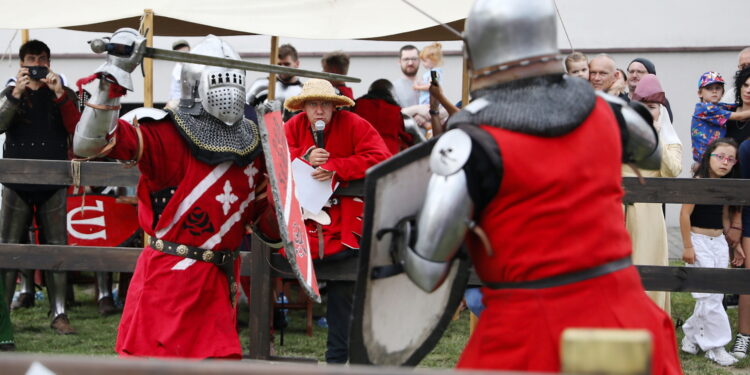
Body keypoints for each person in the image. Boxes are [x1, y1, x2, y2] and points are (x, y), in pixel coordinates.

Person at [400, 0, 682, 372]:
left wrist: (400, 235)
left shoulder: (468, 141)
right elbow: (650, 150)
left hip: (526, 335)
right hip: (621, 319)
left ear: (479, 49)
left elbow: (427, 271)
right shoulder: (610, 111)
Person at [73, 29, 279, 359]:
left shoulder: (254, 140)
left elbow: (265, 225)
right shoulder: (163, 131)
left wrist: (286, 206)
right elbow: (89, 143)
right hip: (168, 282)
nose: (227, 89)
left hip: (219, 283)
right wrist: (114, 73)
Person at [284, 79, 390, 363]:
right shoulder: (292, 127)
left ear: (334, 106)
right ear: (303, 108)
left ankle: (341, 358)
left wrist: (337, 167)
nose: (319, 110)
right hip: (302, 227)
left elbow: (381, 158)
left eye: (325, 104)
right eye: (313, 104)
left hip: (346, 228)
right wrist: (303, 158)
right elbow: (273, 159)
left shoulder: (355, 124)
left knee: (345, 292)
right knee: (275, 268)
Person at [0, 39, 80, 335]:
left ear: (49, 62)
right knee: (7, 247)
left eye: (42, 59)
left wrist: (59, 94)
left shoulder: (64, 92)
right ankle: (3, 314)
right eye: (31, 59)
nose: (36, 65)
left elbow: (77, 129)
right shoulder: (10, 92)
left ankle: (59, 312)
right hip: (16, 179)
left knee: (57, 247)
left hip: (55, 180)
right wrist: (16, 94)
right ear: (22, 63)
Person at [680, 138, 743, 366]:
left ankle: (690, 334)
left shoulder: (725, 186)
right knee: (709, 297)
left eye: (730, 159)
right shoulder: (698, 182)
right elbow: (684, 215)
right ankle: (716, 346)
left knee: (712, 296)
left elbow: (725, 217)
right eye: (721, 157)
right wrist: (688, 245)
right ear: (709, 156)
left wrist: (734, 245)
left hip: (718, 243)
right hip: (699, 242)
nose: (725, 163)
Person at [625, 74, 682, 314]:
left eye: (653, 107)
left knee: (648, 268)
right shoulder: (622, 134)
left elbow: (672, 171)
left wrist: (656, 136)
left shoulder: (669, 141)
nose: (648, 112)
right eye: (643, 107)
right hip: (616, 212)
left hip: (648, 216)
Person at [728, 66, 750, 359]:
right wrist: (735, 221)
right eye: (746, 84)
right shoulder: (744, 148)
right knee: (747, 277)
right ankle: (745, 335)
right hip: (744, 208)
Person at [690, 71, 750, 162]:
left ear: (723, 92)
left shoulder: (720, 107)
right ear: (699, 93)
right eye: (709, 88)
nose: (714, 91)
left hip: (717, 156)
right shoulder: (704, 108)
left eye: (718, 88)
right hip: (705, 156)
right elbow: (738, 116)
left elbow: (734, 106)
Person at [354, 79, 413, 154]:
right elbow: (408, 138)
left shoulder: (357, 105)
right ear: (391, 94)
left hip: (361, 153)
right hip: (388, 157)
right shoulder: (395, 111)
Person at [246, 43, 303, 120]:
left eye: (287, 64)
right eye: (279, 64)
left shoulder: (303, 92)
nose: (282, 68)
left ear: (297, 64)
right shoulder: (261, 86)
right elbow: (245, 109)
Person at [165, 39, 190, 110]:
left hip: (181, 103)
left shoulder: (189, 67)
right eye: (178, 50)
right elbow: (173, 89)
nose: (182, 53)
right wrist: (169, 101)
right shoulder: (177, 67)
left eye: (184, 51)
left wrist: (170, 105)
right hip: (175, 102)